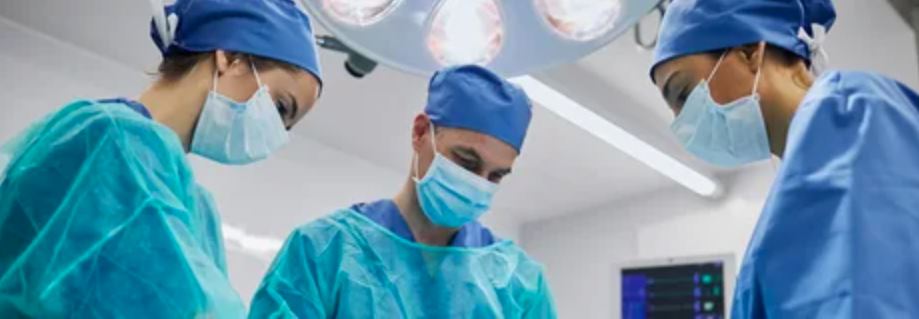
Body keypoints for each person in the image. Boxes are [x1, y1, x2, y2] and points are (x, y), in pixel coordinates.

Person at [0, 0, 322, 317]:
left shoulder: (197, 209)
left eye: (288, 126)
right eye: (280, 108)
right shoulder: (108, 139)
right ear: (231, 57)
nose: (276, 134)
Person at [650, 0, 919, 317]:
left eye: (682, 93)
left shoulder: (849, 113)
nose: (683, 122)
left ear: (750, 50)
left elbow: (868, 295)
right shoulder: (786, 202)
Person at [247, 65, 556, 318]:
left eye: (497, 175)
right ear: (421, 132)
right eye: (466, 161)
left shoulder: (520, 284)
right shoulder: (322, 250)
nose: (479, 182)